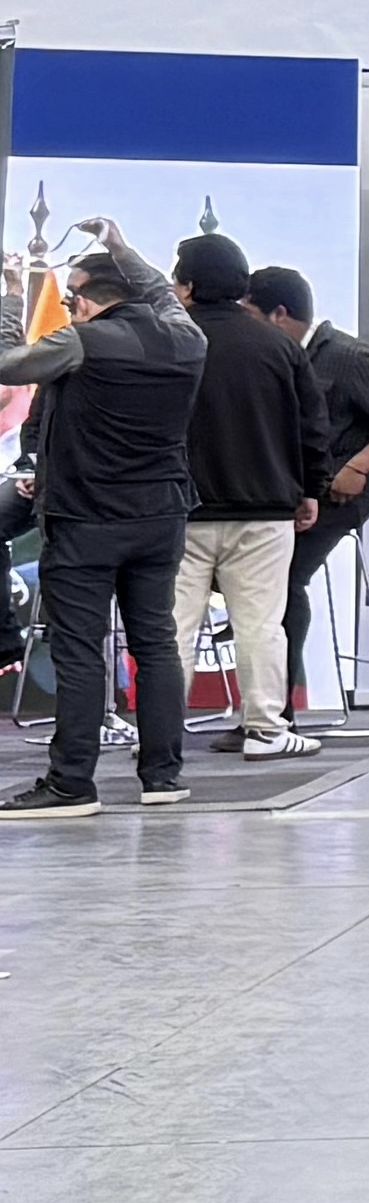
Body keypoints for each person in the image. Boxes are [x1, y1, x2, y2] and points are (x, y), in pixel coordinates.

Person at [0, 248, 205, 819]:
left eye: (71, 299)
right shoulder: (186, 340)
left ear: (86, 302)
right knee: (156, 644)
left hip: (86, 517)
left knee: (79, 650)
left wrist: (12, 297)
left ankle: (71, 783)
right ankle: (163, 776)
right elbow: (158, 292)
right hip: (161, 514)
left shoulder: (82, 342)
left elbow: (7, 365)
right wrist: (122, 248)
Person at [168, 234, 331, 760]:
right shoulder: (280, 346)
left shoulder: (170, 338)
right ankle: (265, 729)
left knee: (173, 626)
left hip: (181, 508)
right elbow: (312, 427)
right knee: (260, 623)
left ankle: (160, 735)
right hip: (265, 508)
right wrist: (310, 489)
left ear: (188, 286)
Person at [245, 267, 369, 736]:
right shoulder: (269, 357)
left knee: (281, 578)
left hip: (338, 492)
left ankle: (275, 711)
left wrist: (358, 466)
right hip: (285, 491)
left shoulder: (348, 356)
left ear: (279, 315)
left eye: (249, 314)